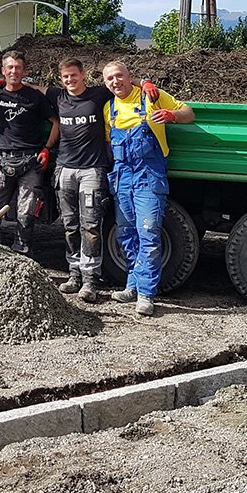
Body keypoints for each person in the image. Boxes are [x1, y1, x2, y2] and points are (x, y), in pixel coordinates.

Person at [102, 60, 195, 317]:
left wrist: (172, 115)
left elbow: (189, 113)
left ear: (129, 76)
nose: (115, 81)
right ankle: (133, 284)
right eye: (109, 78)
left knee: (149, 234)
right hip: (122, 179)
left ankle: (146, 294)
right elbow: (110, 146)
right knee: (125, 234)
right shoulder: (109, 109)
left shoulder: (150, 97)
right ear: (105, 83)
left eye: (119, 76)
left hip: (148, 177)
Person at [0, 49, 59, 258]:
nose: (14, 71)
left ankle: (21, 255)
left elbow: (56, 123)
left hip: (31, 162)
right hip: (4, 161)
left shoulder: (34, 97)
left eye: (18, 67)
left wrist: (47, 149)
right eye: (10, 67)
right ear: (3, 70)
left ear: (24, 71)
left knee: (26, 213)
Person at [46, 58, 114, 303]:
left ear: (83, 75)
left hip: (92, 171)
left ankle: (90, 281)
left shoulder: (98, 95)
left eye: (73, 75)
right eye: (65, 77)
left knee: (91, 225)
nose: (69, 80)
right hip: (65, 169)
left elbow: (121, 83)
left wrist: (145, 83)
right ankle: (73, 274)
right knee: (70, 224)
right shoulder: (58, 96)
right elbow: (31, 89)